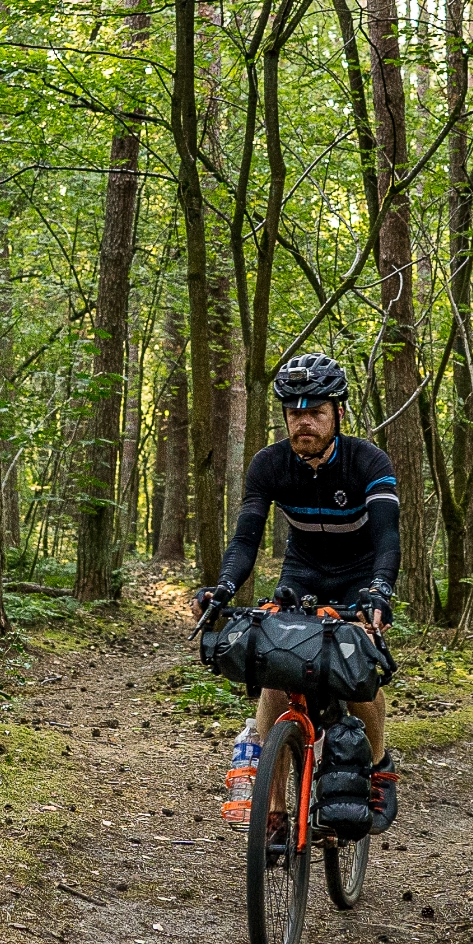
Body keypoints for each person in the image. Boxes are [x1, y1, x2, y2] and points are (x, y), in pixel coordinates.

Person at [193, 351, 401, 820]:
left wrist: (380, 591)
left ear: (337, 414)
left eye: (316, 411)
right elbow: (245, 540)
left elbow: (388, 538)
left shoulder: (368, 461)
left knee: (358, 673)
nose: (304, 422)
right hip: (302, 573)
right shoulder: (269, 465)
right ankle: (273, 808)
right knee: (275, 669)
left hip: (360, 576)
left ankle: (379, 765)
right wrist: (223, 586)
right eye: (294, 412)